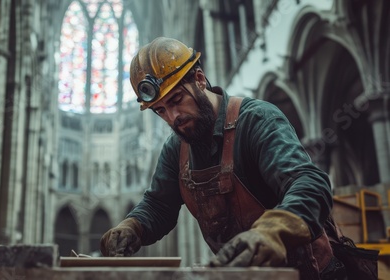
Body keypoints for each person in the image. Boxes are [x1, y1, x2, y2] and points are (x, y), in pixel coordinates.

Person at [100, 37, 353, 279]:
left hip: (311, 273)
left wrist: (273, 232)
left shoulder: (257, 120)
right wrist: (133, 226)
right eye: (160, 111)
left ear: (199, 79)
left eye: (177, 100)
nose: (173, 116)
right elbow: (158, 205)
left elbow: (310, 183)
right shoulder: (177, 148)